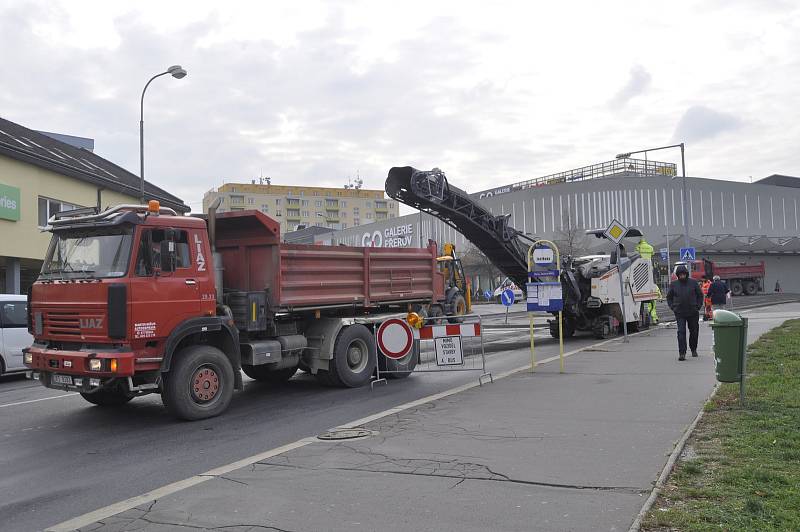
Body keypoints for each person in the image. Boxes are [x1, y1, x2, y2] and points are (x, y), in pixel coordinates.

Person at [667, 264, 704, 361]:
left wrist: (698, 306)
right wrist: (673, 307)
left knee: (694, 331)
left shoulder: (693, 283)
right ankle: (682, 353)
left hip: (693, 312)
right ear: (678, 275)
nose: (682, 276)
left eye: (683, 274)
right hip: (680, 312)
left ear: (686, 274)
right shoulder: (674, 284)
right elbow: (669, 297)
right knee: (681, 332)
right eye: (680, 275)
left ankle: (693, 349)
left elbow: (700, 295)